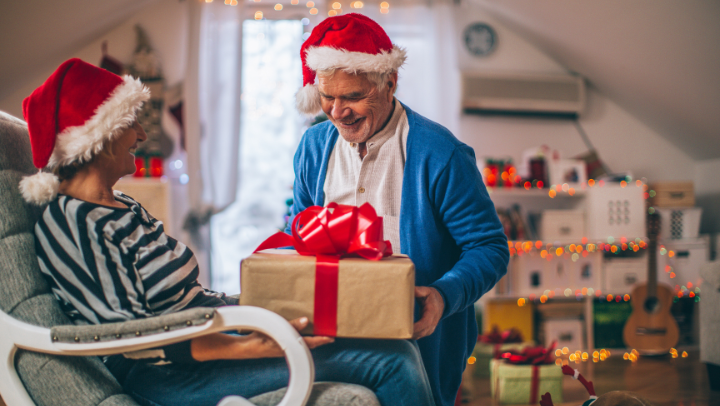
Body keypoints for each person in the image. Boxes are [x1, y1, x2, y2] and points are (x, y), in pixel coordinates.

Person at [20, 58, 436, 406]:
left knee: (386, 339)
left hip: (207, 342)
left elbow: (188, 301)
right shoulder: (72, 221)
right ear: (100, 136)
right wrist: (250, 345)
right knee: (392, 358)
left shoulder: (122, 204)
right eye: (132, 123)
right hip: (167, 377)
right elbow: (129, 335)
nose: (143, 135)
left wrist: (264, 309)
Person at [289, 14, 510, 406]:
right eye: (327, 96)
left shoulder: (441, 154)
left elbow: (489, 248)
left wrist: (443, 295)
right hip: (328, 340)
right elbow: (300, 232)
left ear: (389, 82)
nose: (338, 111)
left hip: (420, 344)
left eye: (353, 96)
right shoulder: (312, 147)